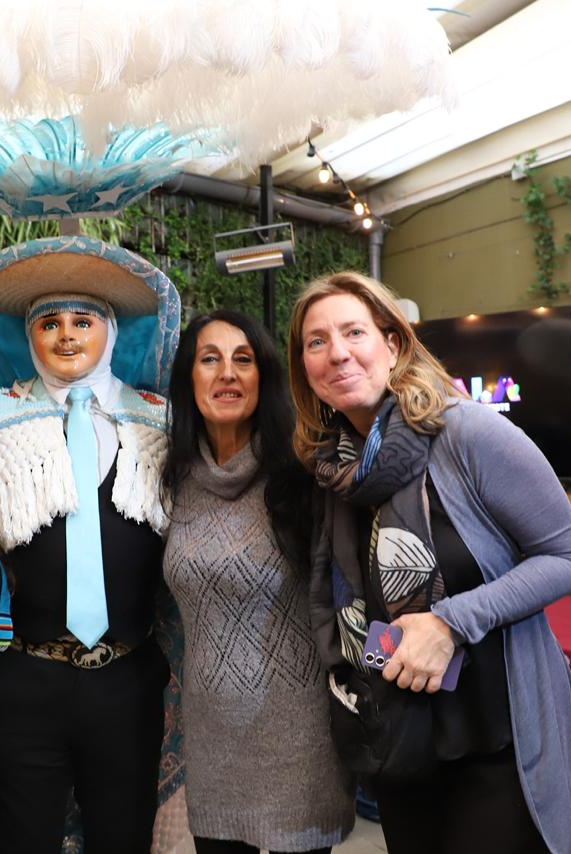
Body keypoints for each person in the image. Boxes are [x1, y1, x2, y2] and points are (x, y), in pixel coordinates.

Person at [286, 271, 571, 854]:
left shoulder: (467, 432)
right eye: (316, 341)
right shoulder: (332, 471)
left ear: (393, 345)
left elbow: (569, 558)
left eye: (354, 332)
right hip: (399, 738)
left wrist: (450, 622)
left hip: (495, 739)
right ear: (304, 368)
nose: (337, 353)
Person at [0, 235, 179, 854]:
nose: (66, 336)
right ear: (28, 336)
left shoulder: (162, 421)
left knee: (123, 837)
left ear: (111, 330)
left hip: (128, 678)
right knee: (18, 839)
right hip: (21, 676)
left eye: (83, 321)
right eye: (48, 322)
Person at [161, 310, 355, 854]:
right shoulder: (168, 478)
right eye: (210, 359)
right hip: (211, 740)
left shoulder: (305, 473)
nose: (227, 373)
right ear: (189, 378)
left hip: (303, 740)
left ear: (263, 377)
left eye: (243, 360)